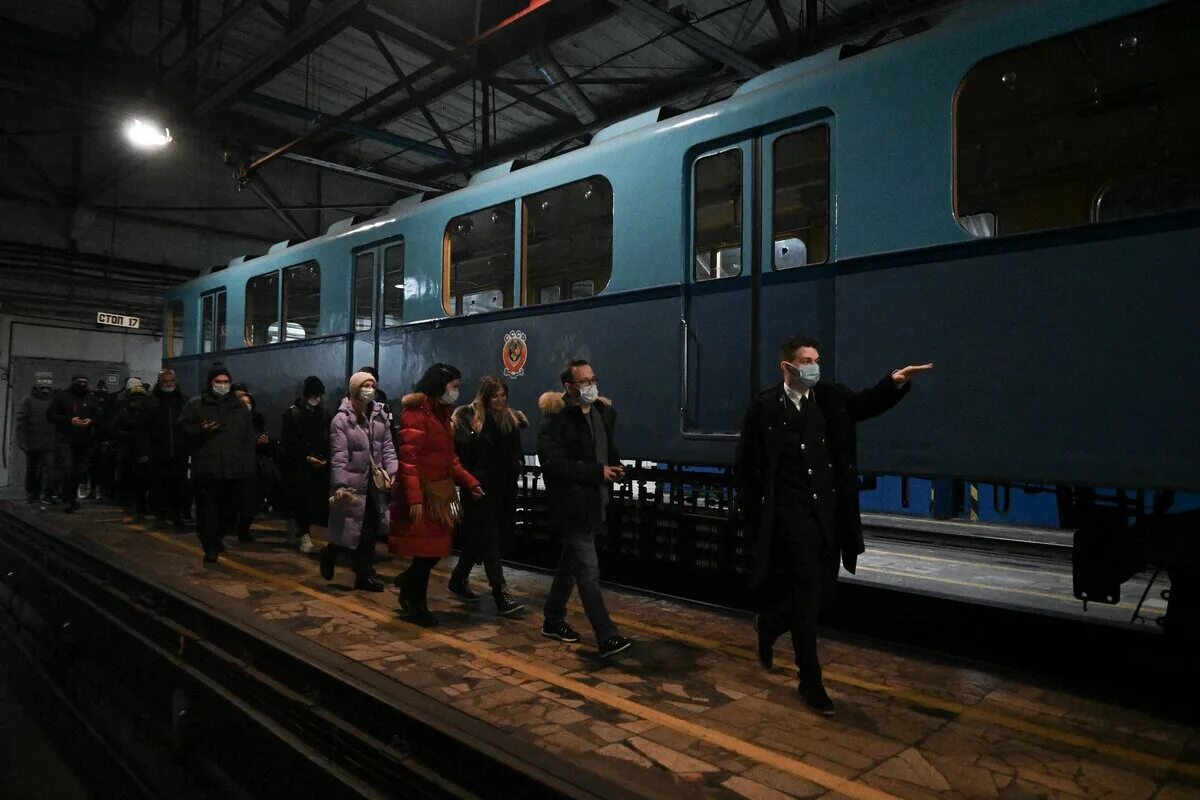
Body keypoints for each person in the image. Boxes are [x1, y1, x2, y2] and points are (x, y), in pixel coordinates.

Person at [735, 335, 933, 715]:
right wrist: (755, 517)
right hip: (790, 521)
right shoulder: (764, 408)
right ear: (787, 367)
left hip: (829, 517)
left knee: (824, 593)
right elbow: (745, 468)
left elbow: (866, 404)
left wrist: (895, 381)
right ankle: (810, 680)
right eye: (806, 360)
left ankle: (771, 622)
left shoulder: (830, 399)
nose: (813, 366)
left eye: (816, 359)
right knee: (809, 599)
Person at [536, 359, 632, 659]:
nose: (591, 386)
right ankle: (607, 635)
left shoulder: (602, 414)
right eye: (584, 382)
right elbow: (554, 466)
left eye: (593, 379)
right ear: (569, 386)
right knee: (588, 571)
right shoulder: (556, 422)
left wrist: (614, 467)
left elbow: (605, 451)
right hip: (572, 505)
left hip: (595, 501)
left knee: (570, 565)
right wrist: (596, 472)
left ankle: (553, 618)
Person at [390, 364, 483, 626]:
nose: (457, 392)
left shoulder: (442, 415)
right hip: (424, 495)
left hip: (441, 495)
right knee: (426, 551)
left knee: (438, 549)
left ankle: (409, 588)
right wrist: (415, 499)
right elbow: (408, 462)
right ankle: (416, 605)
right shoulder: (416, 414)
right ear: (439, 385)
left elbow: (450, 458)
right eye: (454, 386)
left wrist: (469, 482)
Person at [448, 376, 527, 616]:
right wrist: (470, 482)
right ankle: (500, 594)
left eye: (503, 395)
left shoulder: (511, 421)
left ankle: (458, 578)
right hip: (479, 491)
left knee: (478, 541)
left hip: (502, 491)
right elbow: (462, 457)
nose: (500, 400)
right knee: (490, 542)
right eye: (495, 396)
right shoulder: (470, 421)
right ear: (485, 396)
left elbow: (515, 455)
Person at [322, 371, 397, 592]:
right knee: (347, 529)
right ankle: (330, 553)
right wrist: (340, 485)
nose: (370, 389)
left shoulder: (380, 415)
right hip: (352, 483)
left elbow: (388, 448)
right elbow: (339, 455)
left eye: (373, 385)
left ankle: (363, 576)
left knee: (369, 531)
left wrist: (393, 472)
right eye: (366, 385)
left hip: (373, 485)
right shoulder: (342, 420)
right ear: (355, 389)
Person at [180, 365, 257, 563]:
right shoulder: (196, 405)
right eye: (218, 382)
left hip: (234, 470)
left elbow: (247, 438)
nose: (222, 385)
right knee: (208, 511)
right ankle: (210, 546)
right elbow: (182, 430)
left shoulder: (240, 408)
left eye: (225, 382)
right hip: (207, 469)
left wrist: (248, 467)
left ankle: (218, 537)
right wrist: (200, 429)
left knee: (229, 511)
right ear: (210, 383)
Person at [281, 376, 331, 554]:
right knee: (302, 499)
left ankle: (301, 530)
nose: (317, 399)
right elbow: (289, 442)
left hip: (318, 464)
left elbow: (327, 440)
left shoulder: (324, 414)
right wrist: (307, 457)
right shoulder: (293, 414)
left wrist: (325, 459)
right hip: (300, 465)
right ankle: (304, 533)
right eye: (314, 395)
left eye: (319, 395)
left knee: (313, 501)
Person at [138, 368, 189, 529]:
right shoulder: (149, 402)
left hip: (179, 452)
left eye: (171, 381)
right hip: (157, 452)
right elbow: (142, 428)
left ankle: (176, 516)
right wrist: (144, 451)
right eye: (165, 381)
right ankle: (160, 516)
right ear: (159, 383)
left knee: (178, 486)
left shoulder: (183, 401)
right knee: (158, 486)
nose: (168, 384)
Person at [46, 373, 98, 513]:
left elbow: (98, 415)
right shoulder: (62, 397)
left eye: (84, 383)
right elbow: (51, 415)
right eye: (79, 382)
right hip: (65, 439)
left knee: (79, 471)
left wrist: (91, 421)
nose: (82, 385)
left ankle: (71, 497)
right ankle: (68, 499)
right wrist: (69, 420)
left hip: (84, 440)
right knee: (67, 469)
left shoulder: (91, 397)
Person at [233, 390, 277, 543]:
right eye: (243, 403)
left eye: (248, 403)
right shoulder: (232, 422)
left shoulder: (257, 421)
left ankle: (244, 529)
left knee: (251, 500)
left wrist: (264, 443)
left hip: (255, 467)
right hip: (238, 466)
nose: (246, 406)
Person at [111, 378, 150, 524]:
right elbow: (114, 430)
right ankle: (128, 510)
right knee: (126, 481)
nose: (137, 402)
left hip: (142, 452)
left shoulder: (146, 414)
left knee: (142, 482)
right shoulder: (123, 412)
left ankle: (140, 510)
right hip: (127, 451)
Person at [15, 376, 56, 504]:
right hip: (32, 443)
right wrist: (22, 442)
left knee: (49, 470)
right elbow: (21, 423)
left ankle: (47, 494)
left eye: (47, 388)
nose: (45, 390)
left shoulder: (54, 402)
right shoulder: (28, 401)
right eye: (42, 388)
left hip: (50, 442)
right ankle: (32, 493)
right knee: (32, 470)